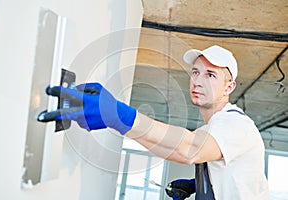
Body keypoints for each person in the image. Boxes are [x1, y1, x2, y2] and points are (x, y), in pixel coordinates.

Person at [38, 45, 269, 200]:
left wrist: (121, 115)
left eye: (210, 75)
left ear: (229, 87)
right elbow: (170, 148)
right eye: (195, 72)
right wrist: (198, 184)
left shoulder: (236, 124)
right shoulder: (211, 129)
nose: (198, 81)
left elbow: (189, 149)